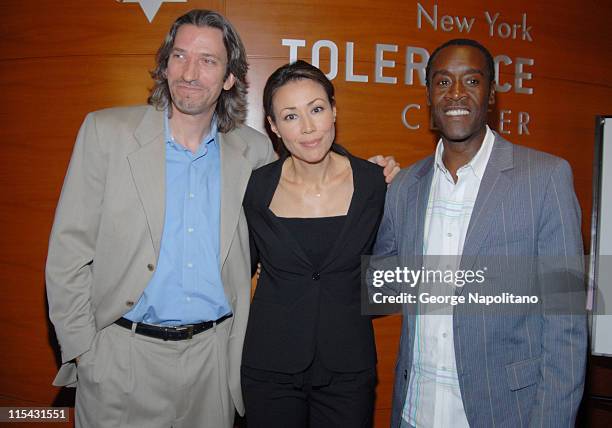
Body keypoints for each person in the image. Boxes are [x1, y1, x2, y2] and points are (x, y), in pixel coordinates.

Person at [45, 10, 399, 428]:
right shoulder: (106, 133)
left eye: (208, 60)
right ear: (164, 63)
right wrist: (84, 350)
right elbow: (69, 251)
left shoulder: (252, 153)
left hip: (214, 362)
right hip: (122, 358)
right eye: (179, 56)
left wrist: (370, 171)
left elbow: (308, 158)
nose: (190, 72)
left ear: (229, 77)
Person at [372, 39, 587, 428]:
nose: (456, 93)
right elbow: (379, 287)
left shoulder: (545, 178)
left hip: (504, 415)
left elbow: (567, 325)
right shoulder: (405, 187)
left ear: (491, 94)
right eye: (442, 82)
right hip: (414, 414)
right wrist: (356, 196)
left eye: (471, 80)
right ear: (429, 96)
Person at [240, 60, 386, 427]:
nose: (308, 128)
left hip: (348, 368)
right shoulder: (255, 188)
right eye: (290, 116)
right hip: (269, 365)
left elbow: (391, 267)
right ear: (273, 126)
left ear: (334, 111)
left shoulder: (374, 183)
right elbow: (240, 267)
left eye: (317, 110)